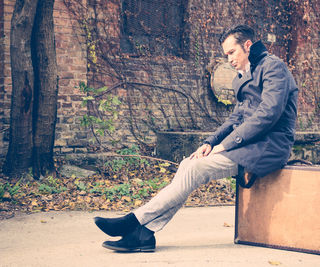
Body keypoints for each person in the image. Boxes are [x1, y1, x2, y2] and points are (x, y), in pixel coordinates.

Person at [94, 24, 298, 252]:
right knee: (189, 164)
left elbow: (268, 114)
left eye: (232, 52)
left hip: (271, 146)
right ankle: (143, 233)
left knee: (193, 170)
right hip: (249, 144)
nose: (229, 59)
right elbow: (236, 118)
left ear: (247, 45)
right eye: (226, 55)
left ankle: (134, 222)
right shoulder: (242, 77)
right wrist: (210, 142)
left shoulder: (273, 67)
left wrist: (226, 145)